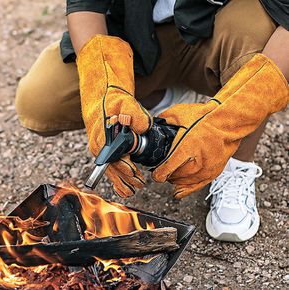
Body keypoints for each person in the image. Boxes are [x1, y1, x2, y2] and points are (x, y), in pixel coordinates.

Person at [15, 0, 289, 242]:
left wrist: (220, 125)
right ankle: (167, 101)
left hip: (217, 33)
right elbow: (85, 6)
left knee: (258, 32)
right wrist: (104, 88)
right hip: (139, 34)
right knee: (40, 101)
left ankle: (235, 164)